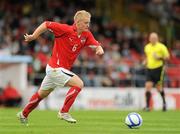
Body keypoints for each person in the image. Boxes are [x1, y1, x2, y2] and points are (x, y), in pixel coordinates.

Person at [17, 10, 104, 125]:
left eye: (89, 23)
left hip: (58, 70)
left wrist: (99, 49)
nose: (88, 25)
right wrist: (34, 36)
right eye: (85, 23)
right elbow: (46, 24)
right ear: (77, 22)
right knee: (79, 84)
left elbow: (96, 45)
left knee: (41, 94)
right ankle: (64, 112)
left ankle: (23, 114)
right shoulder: (65, 29)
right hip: (55, 68)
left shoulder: (86, 34)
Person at [143, 32, 169, 111]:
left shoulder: (162, 47)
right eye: (151, 38)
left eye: (154, 38)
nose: (153, 39)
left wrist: (159, 57)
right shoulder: (147, 47)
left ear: (157, 39)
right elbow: (148, 57)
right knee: (148, 86)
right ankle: (147, 106)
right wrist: (145, 61)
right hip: (149, 69)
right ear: (149, 39)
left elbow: (167, 57)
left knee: (158, 88)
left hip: (158, 69)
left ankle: (164, 103)